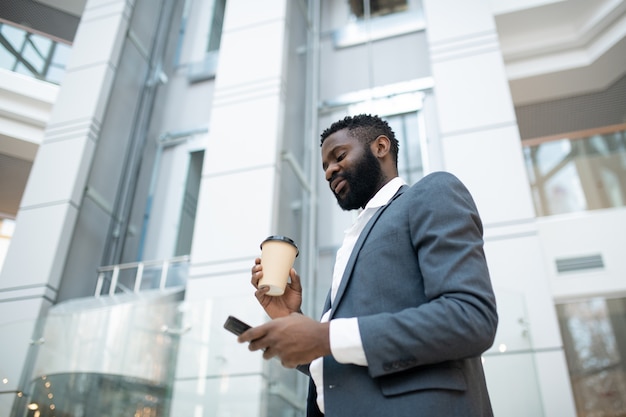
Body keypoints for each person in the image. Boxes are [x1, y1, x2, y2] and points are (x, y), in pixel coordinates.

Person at [239, 114, 498, 416]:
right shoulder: (352, 240)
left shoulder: (431, 193)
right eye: (324, 167)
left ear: (381, 147)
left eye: (339, 156)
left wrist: (324, 335)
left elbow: (470, 318)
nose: (329, 172)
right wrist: (289, 317)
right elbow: (350, 361)